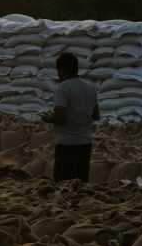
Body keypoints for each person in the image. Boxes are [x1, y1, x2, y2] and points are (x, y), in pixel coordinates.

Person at [40, 52, 100, 183]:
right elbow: (96, 116)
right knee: (81, 185)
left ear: (61, 70)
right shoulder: (90, 88)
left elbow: (59, 116)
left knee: (64, 184)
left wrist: (47, 119)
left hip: (67, 144)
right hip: (86, 143)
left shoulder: (63, 88)